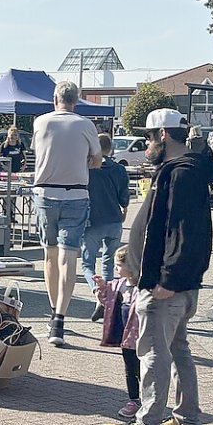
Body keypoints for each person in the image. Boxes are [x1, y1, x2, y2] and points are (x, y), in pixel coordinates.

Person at [103, 109, 213, 425]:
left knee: (153, 352)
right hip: (175, 283)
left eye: (149, 137)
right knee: (178, 349)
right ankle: (187, 417)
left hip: (165, 285)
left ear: (163, 135)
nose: (146, 144)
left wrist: (168, 278)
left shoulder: (181, 174)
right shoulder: (184, 171)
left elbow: (186, 233)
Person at [32, 82, 102, 347]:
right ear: (77, 101)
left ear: (55, 99)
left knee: (49, 254)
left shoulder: (41, 122)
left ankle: (53, 313)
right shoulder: (86, 125)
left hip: (45, 194)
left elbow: (40, 152)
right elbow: (97, 160)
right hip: (76, 194)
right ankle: (61, 316)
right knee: (68, 256)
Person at [82, 132, 130, 322]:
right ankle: (108, 295)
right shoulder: (118, 169)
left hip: (92, 220)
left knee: (87, 262)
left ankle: (97, 293)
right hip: (114, 219)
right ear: (111, 149)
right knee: (110, 262)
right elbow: (124, 195)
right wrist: (124, 208)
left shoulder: (87, 168)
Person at [94, 247, 141, 420]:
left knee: (144, 368)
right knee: (130, 368)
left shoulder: (144, 287)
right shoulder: (119, 284)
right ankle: (134, 400)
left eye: (119, 265)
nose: (116, 269)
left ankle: (149, 400)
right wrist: (101, 287)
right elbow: (107, 298)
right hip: (126, 336)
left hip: (142, 336)